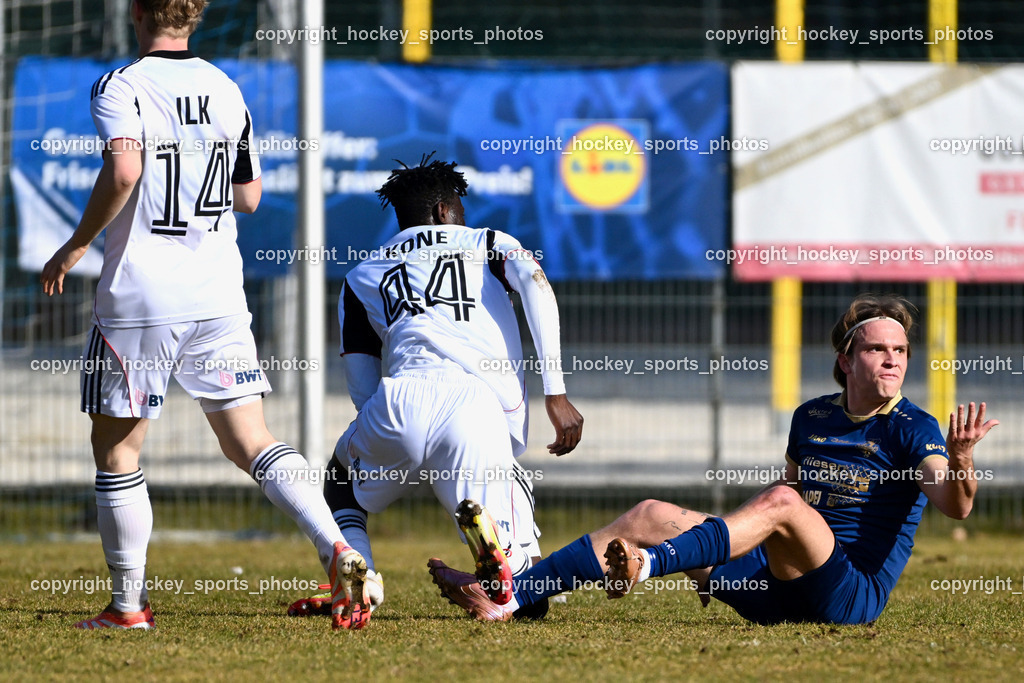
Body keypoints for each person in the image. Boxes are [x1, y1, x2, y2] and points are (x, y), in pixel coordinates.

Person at [40, 0, 367, 631]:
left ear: (137, 10)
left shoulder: (122, 84)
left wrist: (79, 242)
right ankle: (338, 548)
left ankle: (128, 609)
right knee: (251, 441)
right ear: (197, 15)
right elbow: (249, 197)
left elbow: (126, 167)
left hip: (142, 296)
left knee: (118, 451)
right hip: (217, 292)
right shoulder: (225, 86)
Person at [430, 294, 997, 624]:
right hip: (773, 588)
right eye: (877, 348)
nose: (892, 360)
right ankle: (508, 596)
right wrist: (720, 550)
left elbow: (956, 506)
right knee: (649, 512)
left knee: (781, 502)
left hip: (846, 597)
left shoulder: (914, 426)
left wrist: (964, 459)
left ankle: (649, 567)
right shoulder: (812, 417)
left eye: (900, 351)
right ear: (846, 360)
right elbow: (783, 503)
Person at [287, 154, 583, 623]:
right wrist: (556, 392)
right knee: (529, 596)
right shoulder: (486, 242)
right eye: (460, 207)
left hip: (398, 402)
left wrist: (394, 445)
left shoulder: (362, 274)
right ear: (446, 211)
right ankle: (503, 563)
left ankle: (355, 572)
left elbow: (361, 380)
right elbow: (535, 284)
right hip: (475, 409)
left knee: (340, 483)